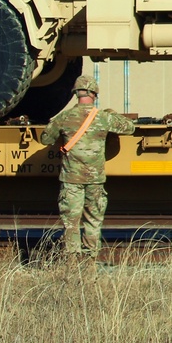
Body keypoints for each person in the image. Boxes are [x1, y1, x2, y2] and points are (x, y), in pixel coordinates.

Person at [40, 75, 135, 259]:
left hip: (71, 181)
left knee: (71, 223)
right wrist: (112, 113)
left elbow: (45, 138)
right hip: (95, 180)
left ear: (76, 94)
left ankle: (72, 262)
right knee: (93, 221)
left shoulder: (65, 117)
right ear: (94, 94)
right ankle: (90, 261)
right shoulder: (103, 118)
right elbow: (129, 127)